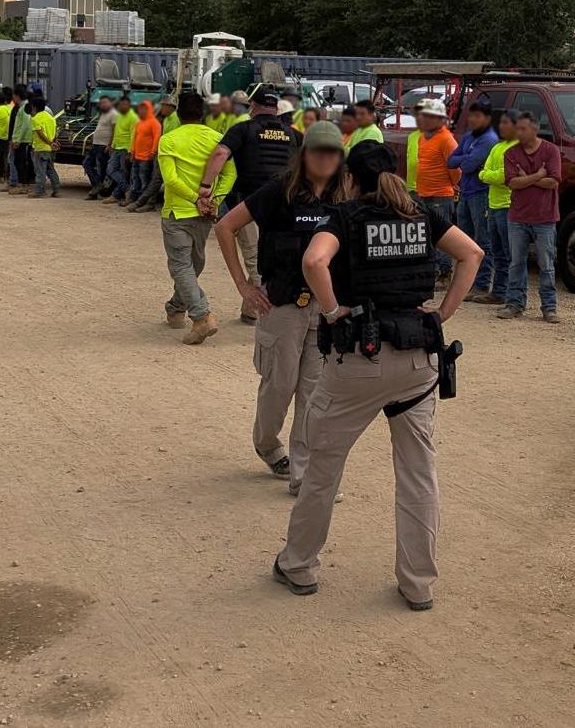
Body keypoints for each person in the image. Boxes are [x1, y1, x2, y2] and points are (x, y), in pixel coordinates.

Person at [272, 140, 483, 611]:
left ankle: (299, 565)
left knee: (323, 469)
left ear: (351, 178)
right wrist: (443, 313)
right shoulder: (422, 214)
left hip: (358, 361)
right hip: (417, 360)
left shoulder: (343, 217)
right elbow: (472, 254)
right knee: (418, 473)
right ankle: (418, 583)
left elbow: (314, 261)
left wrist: (331, 311)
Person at [216, 121, 349, 489]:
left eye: (332, 152)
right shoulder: (279, 191)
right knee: (279, 385)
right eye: (318, 151)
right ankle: (268, 445)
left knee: (314, 393)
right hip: (282, 306)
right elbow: (225, 227)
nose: (325, 159)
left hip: (325, 309)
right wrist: (244, 286)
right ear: (304, 155)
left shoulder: (344, 197)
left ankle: (303, 473)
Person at [197, 87, 301, 322]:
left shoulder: (243, 129)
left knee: (255, 258)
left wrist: (205, 186)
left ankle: (262, 310)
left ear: (253, 106)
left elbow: (220, 154)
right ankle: (252, 310)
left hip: (251, 204)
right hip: (287, 205)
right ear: (276, 108)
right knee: (280, 253)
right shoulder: (293, 134)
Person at [157, 91, 225, 345]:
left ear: (178, 114)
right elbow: (229, 173)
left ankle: (201, 316)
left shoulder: (169, 140)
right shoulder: (218, 140)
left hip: (177, 212)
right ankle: (176, 309)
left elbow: (171, 180)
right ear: (203, 113)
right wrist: (214, 199)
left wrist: (196, 199)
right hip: (204, 214)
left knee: (183, 267)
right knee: (192, 265)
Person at [498, 110, 561, 323]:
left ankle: (549, 307)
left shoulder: (551, 150)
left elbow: (553, 182)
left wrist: (527, 178)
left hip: (545, 217)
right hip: (518, 217)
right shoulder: (511, 153)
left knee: (546, 264)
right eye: (517, 128)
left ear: (535, 129)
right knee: (516, 263)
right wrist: (539, 175)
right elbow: (512, 183)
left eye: (522, 129)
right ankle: (514, 303)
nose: (518, 132)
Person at [470, 109, 521, 306]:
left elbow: (504, 176)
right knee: (498, 253)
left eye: (506, 123)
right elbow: (485, 171)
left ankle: (512, 295)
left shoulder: (517, 148)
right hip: (493, 205)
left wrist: (487, 175)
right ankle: (498, 292)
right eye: (501, 123)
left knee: (510, 254)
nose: (501, 126)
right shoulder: (498, 147)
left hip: (509, 206)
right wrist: (488, 175)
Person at [449, 98, 498, 291]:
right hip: (466, 192)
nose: (473, 119)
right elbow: (450, 161)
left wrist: (465, 161)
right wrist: (467, 159)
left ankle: (482, 284)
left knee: (482, 240)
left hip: (481, 194)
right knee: (466, 240)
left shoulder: (489, 139)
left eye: (477, 116)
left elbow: (467, 165)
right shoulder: (469, 136)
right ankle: (467, 283)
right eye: (471, 115)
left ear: (487, 118)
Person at [410, 99, 460, 281]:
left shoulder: (446, 139)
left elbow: (455, 170)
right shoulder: (423, 137)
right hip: (424, 193)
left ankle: (444, 272)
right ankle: (434, 270)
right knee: (429, 235)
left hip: (440, 195)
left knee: (441, 236)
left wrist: (449, 185)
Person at [127, 101, 163, 210]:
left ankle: (145, 202)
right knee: (135, 179)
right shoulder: (139, 123)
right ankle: (134, 199)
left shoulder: (154, 123)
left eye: (144, 109)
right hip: (137, 157)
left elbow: (157, 137)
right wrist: (132, 151)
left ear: (149, 110)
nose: (141, 111)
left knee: (145, 181)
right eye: (140, 109)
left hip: (146, 158)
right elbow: (135, 137)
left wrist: (153, 152)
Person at [105, 96, 137, 204]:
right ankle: (126, 189)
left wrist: (130, 151)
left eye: (124, 104)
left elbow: (133, 135)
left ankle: (116, 195)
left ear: (129, 105)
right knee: (111, 169)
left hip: (125, 149)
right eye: (121, 104)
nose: (122, 106)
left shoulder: (133, 117)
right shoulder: (119, 116)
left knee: (124, 173)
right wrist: (112, 145)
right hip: (117, 148)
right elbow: (117, 132)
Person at [84, 95, 117, 198]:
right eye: (101, 103)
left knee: (102, 169)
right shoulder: (103, 114)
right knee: (86, 164)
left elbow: (115, 130)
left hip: (104, 146)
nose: (103, 104)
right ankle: (97, 185)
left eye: (105, 102)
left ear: (110, 103)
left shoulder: (114, 114)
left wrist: (110, 145)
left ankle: (98, 191)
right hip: (96, 144)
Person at [28, 94, 60, 197]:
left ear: (34, 107)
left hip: (40, 148)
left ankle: (39, 191)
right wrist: (54, 142)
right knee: (50, 170)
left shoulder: (35, 119)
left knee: (40, 171)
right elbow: (55, 132)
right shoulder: (51, 118)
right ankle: (56, 190)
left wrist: (50, 142)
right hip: (50, 149)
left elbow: (40, 134)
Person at [6, 89, 36, 195]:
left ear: (17, 96)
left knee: (20, 163)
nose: (13, 98)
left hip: (22, 140)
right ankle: (22, 184)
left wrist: (18, 140)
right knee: (18, 162)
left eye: (14, 95)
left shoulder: (24, 108)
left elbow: (25, 125)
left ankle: (22, 185)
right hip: (21, 139)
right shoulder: (21, 107)